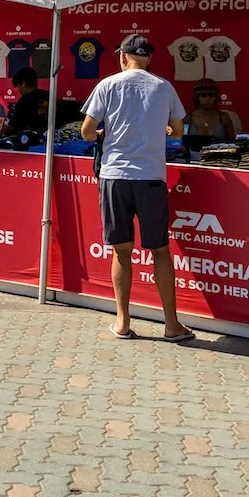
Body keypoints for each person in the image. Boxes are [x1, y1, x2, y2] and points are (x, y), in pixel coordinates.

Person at [80, 34, 192, 344]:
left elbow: (87, 132)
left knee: (122, 250)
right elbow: (178, 131)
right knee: (160, 251)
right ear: (149, 59)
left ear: (122, 57)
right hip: (151, 176)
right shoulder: (164, 87)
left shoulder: (108, 85)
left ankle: (123, 322)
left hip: (115, 176)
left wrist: (105, 130)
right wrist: (161, 127)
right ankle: (171, 325)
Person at [184, 79, 238, 147]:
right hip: (193, 157)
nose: (208, 99)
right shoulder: (188, 119)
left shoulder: (224, 118)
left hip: (219, 156)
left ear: (216, 97)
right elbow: (182, 143)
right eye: (203, 95)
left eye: (211, 95)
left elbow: (232, 144)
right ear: (197, 97)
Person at [7, 67, 50, 134]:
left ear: (23, 84)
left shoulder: (24, 101)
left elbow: (11, 128)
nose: (18, 91)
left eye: (18, 87)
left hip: (31, 140)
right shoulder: (49, 95)